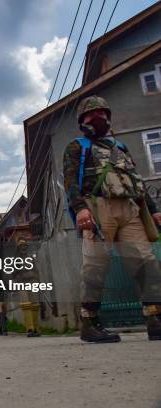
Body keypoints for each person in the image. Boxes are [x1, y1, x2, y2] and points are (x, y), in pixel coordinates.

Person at [63, 95, 161, 343]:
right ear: (82, 121)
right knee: (96, 265)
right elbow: (70, 181)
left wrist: (153, 208)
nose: (98, 118)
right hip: (97, 207)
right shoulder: (77, 146)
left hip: (130, 208)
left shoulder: (122, 148)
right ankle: (90, 322)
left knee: (145, 261)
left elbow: (137, 180)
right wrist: (80, 209)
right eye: (91, 115)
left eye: (102, 114)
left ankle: (154, 318)